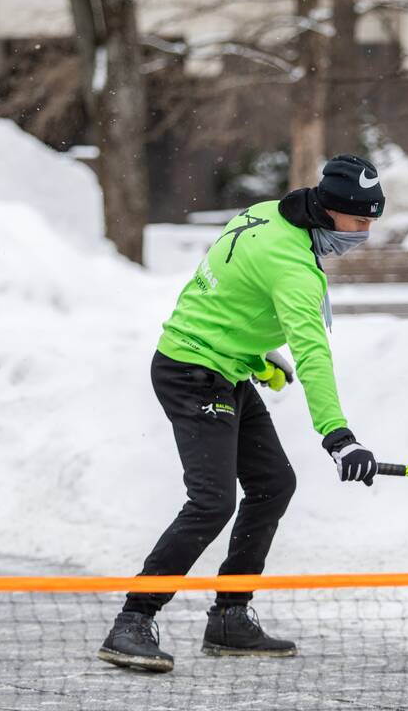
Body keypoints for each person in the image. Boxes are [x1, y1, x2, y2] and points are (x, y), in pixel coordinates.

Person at [97, 154, 386, 673]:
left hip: (221, 365)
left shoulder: (266, 214)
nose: (364, 233)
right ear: (332, 212)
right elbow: (313, 351)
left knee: (274, 484)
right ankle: (132, 621)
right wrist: (339, 436)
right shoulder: (295, 269)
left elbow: (223, 285)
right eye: (360, 222)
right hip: (191, 371)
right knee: (211, 502)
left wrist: (251, 353)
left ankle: (230, 616)